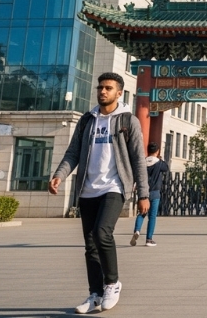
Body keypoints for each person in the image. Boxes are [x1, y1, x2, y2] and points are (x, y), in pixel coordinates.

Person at [49, 72, 149, 314]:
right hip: (88, 189)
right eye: (100, 87)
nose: (102, 91)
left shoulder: (128, 121)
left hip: (114, 188)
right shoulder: (87, 120)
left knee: (102, 232)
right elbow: (72, 152)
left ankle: (112, 284)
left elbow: (138, 159)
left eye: (108, 88)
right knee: (90, 245)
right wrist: (59, 175)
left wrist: (143, 193)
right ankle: (95, 293)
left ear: (119, 93)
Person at [131, 142, 169, 248]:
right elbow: (166, 168)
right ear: (157, 151)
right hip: (155, 192)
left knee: (142, 213)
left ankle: (137, 230)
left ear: (148, 150)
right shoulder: (159, 163)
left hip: (144, 192)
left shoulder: (143, 161)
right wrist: (160, 158)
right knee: (152, 216)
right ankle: (149, 239)